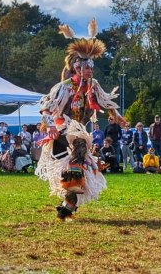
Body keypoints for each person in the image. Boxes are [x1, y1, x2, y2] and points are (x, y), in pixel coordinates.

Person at [35, 20, 125, 221]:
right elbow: (45, 108)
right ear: (77, 68)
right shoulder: (64, 87)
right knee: (79, 153)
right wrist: (50, 127)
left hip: (77, 131)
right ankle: (68, 200)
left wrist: (117, 117)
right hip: (61, 130)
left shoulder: (93, 86)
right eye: (86, 68)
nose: (90, 71)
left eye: (91, 67)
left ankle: (67, 206)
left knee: (78, 169)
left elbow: (105, 102)